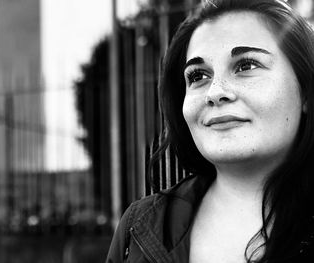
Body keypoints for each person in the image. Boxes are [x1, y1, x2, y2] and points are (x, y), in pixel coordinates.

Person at [106, 0, 314, 262]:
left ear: (305, 90)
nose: (215, 92)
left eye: (246, 66)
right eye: (197, 76)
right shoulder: (140, 226)